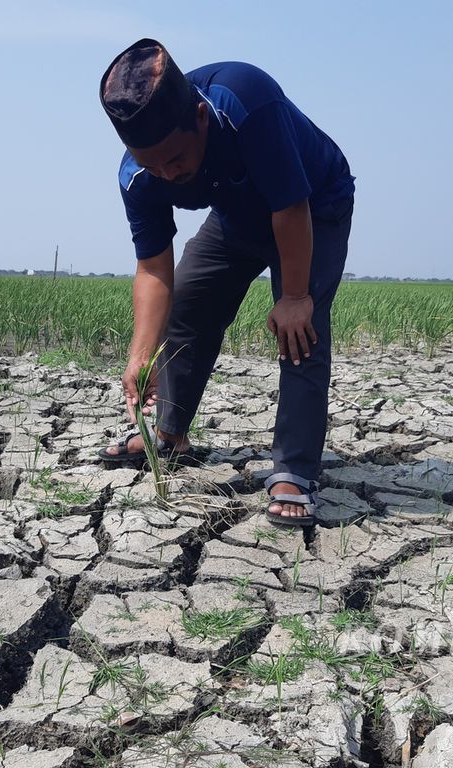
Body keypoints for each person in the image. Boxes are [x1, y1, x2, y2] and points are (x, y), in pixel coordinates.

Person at [96, 39, 355, 527]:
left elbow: (290, 206)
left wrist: (296, 297)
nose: (167, 176)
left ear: (198, 117)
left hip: (313, 207)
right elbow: (154, 268)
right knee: (189, 305)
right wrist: (140, 355)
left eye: (174, 159)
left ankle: (294, 471)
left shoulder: (244, 100)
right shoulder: (139, 176)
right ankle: (171, 433)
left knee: (300, 330)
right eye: (151, 165)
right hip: (236, 214)